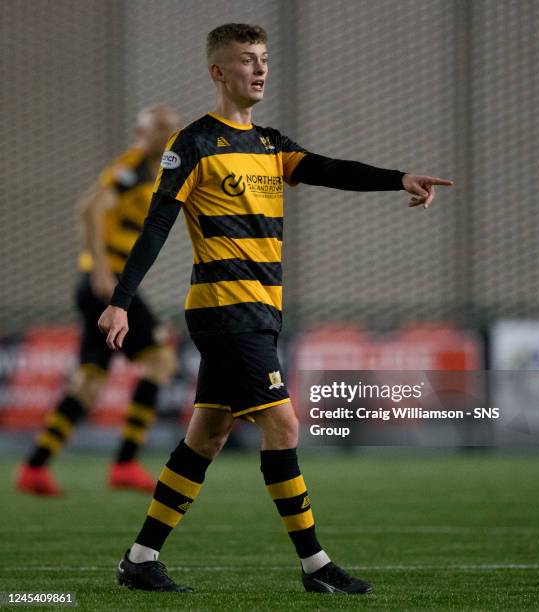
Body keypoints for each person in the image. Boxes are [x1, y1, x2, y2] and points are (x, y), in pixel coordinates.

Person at [98, 24, 453, 594]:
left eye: (263, 59)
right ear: (218, 71)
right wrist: (120, 302)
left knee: (207, 435)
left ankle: (140, 560)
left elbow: (329, 169)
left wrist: (398, 179)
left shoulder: (268, 143)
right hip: (225, 308)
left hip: (262, 309)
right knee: (283, 422)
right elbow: (157, 224)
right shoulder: (193, 144)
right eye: (246, 60)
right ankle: (316, 566)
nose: (259, 69)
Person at [16, 105, 182, 496]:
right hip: (104, 288)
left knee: (89, 382)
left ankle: (34, 467)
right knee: (159, 359)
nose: (168, 133)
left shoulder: (155, 169)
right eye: (161, 127)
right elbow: (89, 208)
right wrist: (100, 269)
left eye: (172, 128)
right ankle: (125, 462)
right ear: (143, 130)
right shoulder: (135, 164)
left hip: (101, 286)